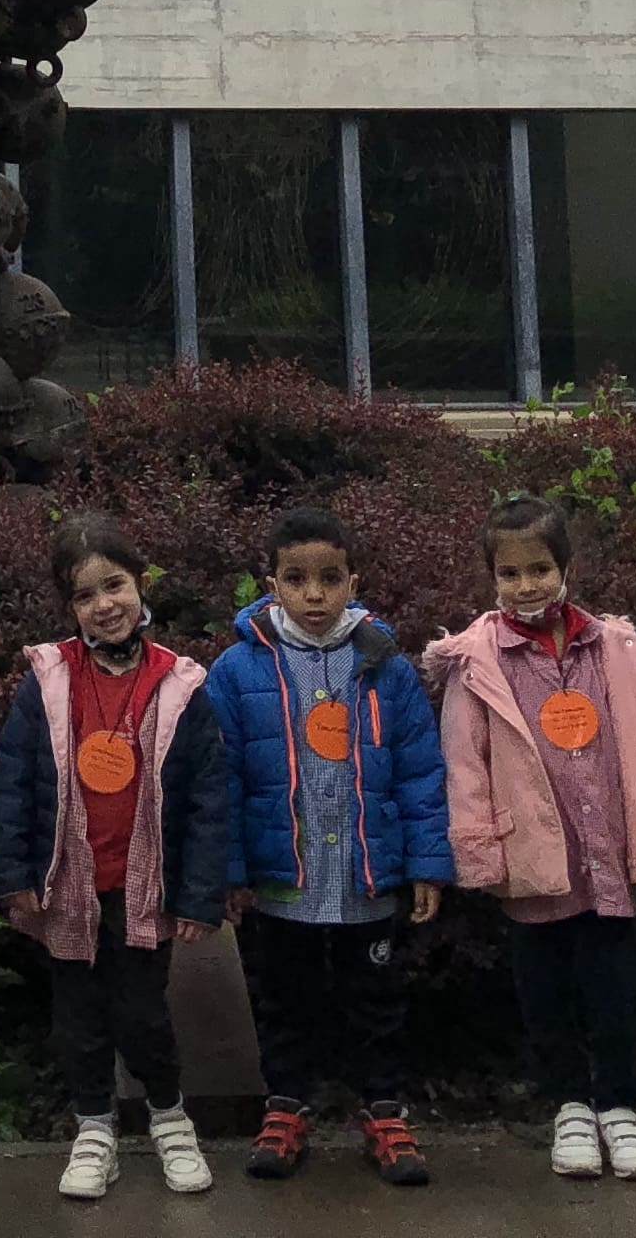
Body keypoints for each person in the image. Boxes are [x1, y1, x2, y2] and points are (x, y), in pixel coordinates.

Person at [424, 491, 636, 1184]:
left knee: (615, 990)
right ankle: (569, 1104)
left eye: (538, 568)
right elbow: (465, 763)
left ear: (566, 566)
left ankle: (619, 1106)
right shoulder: (477, 661)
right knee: (547, 992)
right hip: (533, 859)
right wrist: (480, 853)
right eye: (509, 573)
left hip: (608, 857)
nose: (526, 585)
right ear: (492, 578)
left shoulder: (616, 648)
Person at [207, 501, 451, 1188]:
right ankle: (286, 1108)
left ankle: (385, 1110)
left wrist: (427, 863)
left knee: (375, 1002)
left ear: (353, 582)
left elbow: (421, 769)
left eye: (329, 579)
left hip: (365, 877)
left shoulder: (385, 667)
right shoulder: (237, 670)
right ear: (271, 584)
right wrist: (228, 872)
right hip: (280, 881)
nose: (313, 595)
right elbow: (221, 778)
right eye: (296, 579)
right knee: (285, 1002)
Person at [0, 512, 230, 1200]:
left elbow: (208, 799)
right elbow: (13, 782)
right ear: (69, 606)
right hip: (68, 886)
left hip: (143, 887)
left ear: (141, 582)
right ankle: (94, 1127)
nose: (105, 604)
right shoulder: (47, 682)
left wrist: (200, 894)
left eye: (115, 584)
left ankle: (169, 1116)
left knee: (142, 1014)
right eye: (86, 594)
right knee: (80, 1021)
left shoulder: (180, 684)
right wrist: (12, 874)